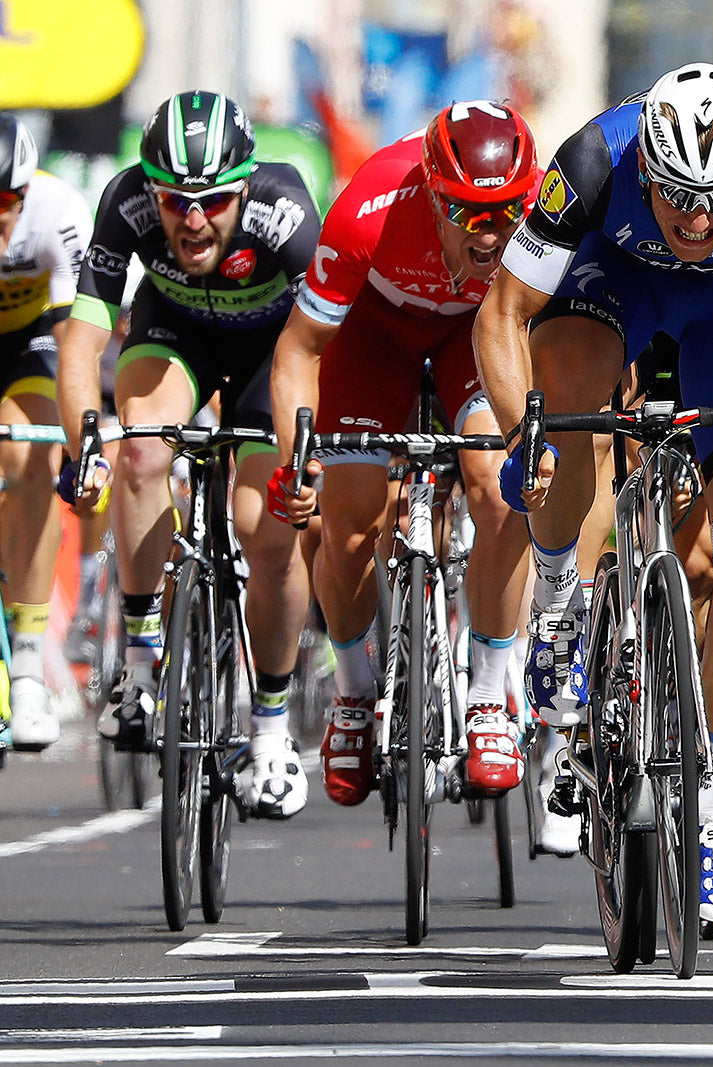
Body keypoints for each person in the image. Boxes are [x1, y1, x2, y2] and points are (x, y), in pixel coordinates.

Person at [473, 62, 713, 926]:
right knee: (567, 406)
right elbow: (503, 312)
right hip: (610, 279)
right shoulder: (589, 164)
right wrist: (521, 433)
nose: (695, 221)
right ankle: (557, 603)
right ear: (645, 168)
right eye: (676, 197)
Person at [57, 91, 321, 819]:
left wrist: (310, 459)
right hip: (176, 335)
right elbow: (82, 338)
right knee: (140, 451)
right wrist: (87, 438)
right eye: (174, 201)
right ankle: (140, 662)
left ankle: (269, 728)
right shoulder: (126, 204)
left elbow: (329, 344)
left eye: (211, 201)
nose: (192, 218)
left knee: (265, 531)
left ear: (243, 186)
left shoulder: (286, 211)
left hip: (276, 352)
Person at [269, 100, 539, 806]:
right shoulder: (369, 209)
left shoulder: (542, 217)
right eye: (470, 214)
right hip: (374, 338)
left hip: (476, 338)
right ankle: (355, 693)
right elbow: (299, 349)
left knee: (500, 486)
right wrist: (299, 458)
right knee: (351, 519)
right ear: (429, 192)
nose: (492, 233)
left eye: (507, 211)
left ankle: (487, 696)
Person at [0, 115, 91, 751]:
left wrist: (80, 444)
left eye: (8, 202)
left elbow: (72, 345)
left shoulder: (57, 210)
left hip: (28, 344)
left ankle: (29, 667)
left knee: (26, 456)